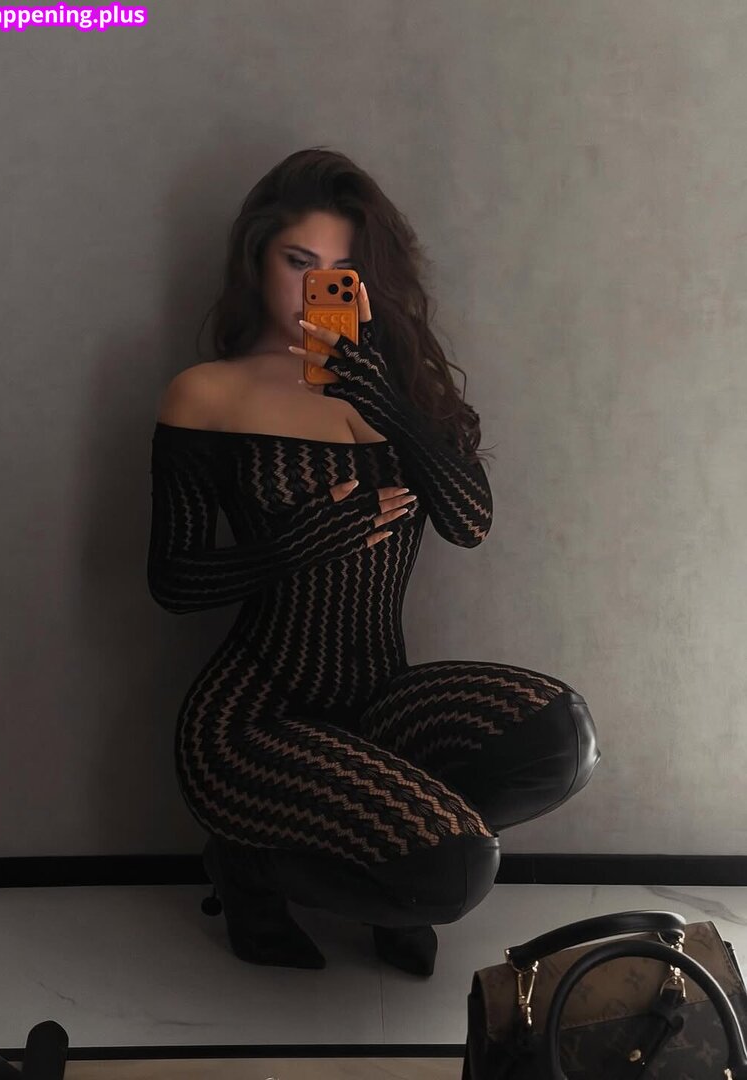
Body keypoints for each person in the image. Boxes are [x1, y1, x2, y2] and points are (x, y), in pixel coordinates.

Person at [147, 147, 601, 978]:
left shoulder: (405, 388)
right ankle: (252, 868)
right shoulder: (208, 392)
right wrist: (302, 542)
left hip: (379, 703)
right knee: (452, 874)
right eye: (299, 262)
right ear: (258, 258)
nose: (316, 288)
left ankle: (394, 859)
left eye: (342, 272)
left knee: (560, 737)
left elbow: (469, 524)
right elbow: (173, 582)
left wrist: (383, 397)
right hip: (254, 717)